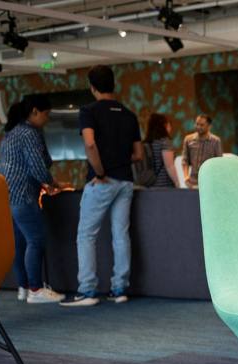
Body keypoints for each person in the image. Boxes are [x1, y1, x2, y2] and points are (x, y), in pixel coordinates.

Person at [60, 65, 142, 307]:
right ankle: (120, 289)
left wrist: (101, 172)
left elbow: (89, 144)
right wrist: (119, 161)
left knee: (86, 235)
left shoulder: (89, 111)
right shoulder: (129, 114)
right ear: (113, 84)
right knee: (121, 235)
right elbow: (138, 154)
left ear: (92, 87)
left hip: (102, 181)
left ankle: (87, 291)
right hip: (125, 181)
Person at [0, 95, 66, 304]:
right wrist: (52, 182)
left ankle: (24, 287)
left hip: (6, 195)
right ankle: (36, 289)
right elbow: (38, 166)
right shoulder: (29, 133)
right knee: (35, 240)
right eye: (46, 114)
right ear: (34, 111)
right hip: (24, 195)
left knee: (19, 243)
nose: (47, 119)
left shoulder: (10, 133)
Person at [180, 114, 222, 188]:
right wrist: (186, 177)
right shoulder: (188, 139)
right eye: (197, 124)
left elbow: (219, 162)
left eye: (202, 125)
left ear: (209, 126)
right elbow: (185, 160)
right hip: (192, 181)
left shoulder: (215, 141)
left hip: (209, 181)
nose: (198, 127)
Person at [144, 113, 180, 188]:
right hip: (164, 184)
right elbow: (169, 166)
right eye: (169, 124)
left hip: (149, 183)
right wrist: (177, 182)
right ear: (164, 125)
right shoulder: (165, 142)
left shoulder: (147, 142)